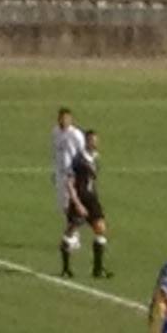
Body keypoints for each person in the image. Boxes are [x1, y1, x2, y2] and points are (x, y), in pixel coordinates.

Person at [60, 130, 110, 280]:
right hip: (80, 198)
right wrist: (77, 203)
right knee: (71, 231)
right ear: (86, 142)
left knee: (100, 229)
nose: (95, 143)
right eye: (92, 141)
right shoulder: (78, 159)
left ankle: (98, 269)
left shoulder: (95, 157)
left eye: (96, 140)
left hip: (92, 199)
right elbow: (69, 182)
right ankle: (66, 268)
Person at [50, 107, 86, 219]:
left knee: (71, 201)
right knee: (63, 205)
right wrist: (54, 170)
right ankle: (71, 227)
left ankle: (74, 229)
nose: (64, 121)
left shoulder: (76, 134)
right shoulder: (55, 132)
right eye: (61, 118)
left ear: (70, 119)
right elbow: (55, 151)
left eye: (66, 118)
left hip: (71, 173)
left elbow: (82, 152)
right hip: (60, 172)